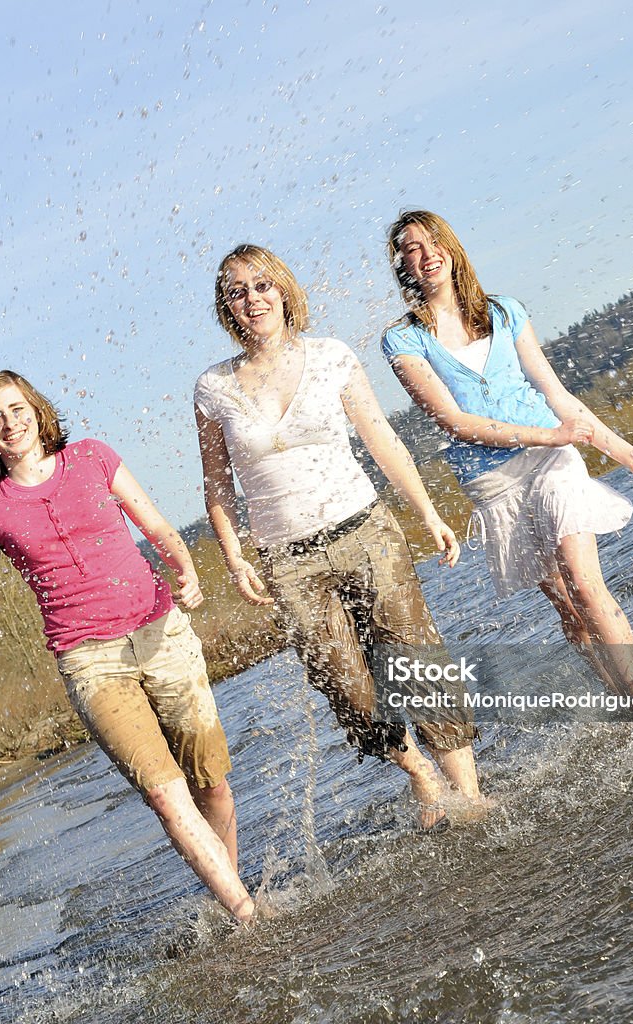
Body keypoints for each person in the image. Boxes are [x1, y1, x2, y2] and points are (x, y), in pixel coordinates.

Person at [0, 371, 255, 923]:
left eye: (17, 409)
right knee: (164, 794)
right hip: (90, 661)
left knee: (213, 785)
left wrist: (185, 568)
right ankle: (247, 914)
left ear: (38, 412)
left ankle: (230, 896)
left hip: (161, 631)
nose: (10, 423)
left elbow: (157, 525)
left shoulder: (91, 456)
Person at [195, 244, 488, 828]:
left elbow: (382, 440)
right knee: (348, 689)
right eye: (237, 291)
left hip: (367, 532)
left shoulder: (331, 356)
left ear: (283, 290)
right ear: (226, 308)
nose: (252, 299)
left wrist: (427, 513)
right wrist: (235, 556)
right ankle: (420, 774)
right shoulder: (212, 388)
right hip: (288, 562)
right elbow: (217, 485)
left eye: (261, 286)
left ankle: (471, 798)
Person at [382, 210, 633, 710]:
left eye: (433, 242)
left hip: (551, 459)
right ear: (403, 266)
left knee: (585, 584)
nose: (426, 253)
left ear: (451, 249)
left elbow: (555, 393)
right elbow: (454, 421)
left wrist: (625, 453)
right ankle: (619, 701)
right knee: (566, 605)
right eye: (412, 248)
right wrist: (549, 433)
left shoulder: (506, 311)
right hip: (493, 481)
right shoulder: (403, 341)